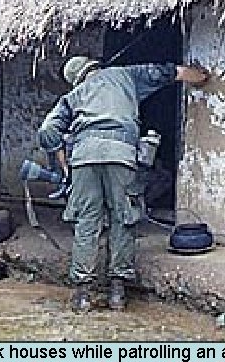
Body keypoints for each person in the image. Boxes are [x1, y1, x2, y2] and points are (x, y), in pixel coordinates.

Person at [37, 56, 209, 312]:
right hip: (120, 155)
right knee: (123, 218)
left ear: (77, 79)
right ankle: (117, 292)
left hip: (83, 158)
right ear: (94, 66)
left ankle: (82, 295)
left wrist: (65, 166)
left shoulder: (74, 96)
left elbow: (47, 131)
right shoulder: (125, 74)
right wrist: (200, 75)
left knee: (86, 222)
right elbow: (166, 72)